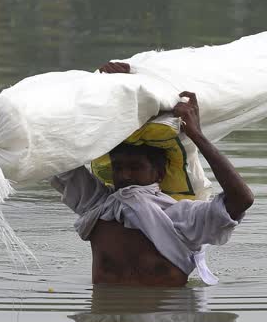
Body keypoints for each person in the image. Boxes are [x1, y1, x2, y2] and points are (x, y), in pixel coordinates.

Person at [50, 62, 254, 287]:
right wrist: (102, 86)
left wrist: (197, 135)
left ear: (159, 173)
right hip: (104, 321)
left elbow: (242, 199)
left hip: (167, 319)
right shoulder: (98, 206)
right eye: (118, 168)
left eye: (135, 167)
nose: (125, 175)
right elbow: (55, 154)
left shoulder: (180, 216)